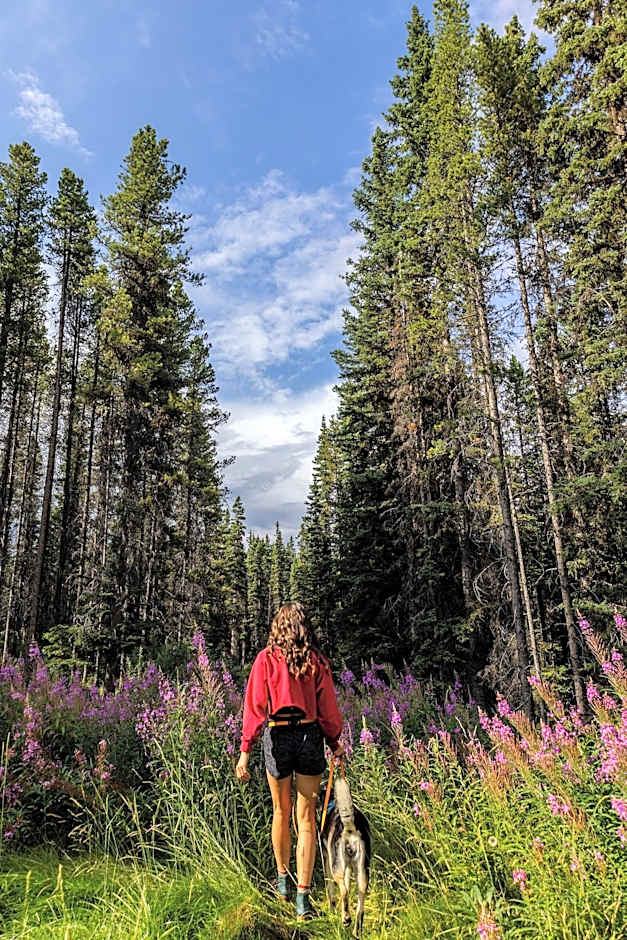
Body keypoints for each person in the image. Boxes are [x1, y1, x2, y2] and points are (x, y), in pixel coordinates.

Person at [235, 602, 344, 919]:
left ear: (277, 628)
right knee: (306, 819)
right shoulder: (316, 661)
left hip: (277, 736)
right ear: (304, 628)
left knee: (280, 811)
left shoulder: (266, 660)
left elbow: (254, 707)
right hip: (310, 736)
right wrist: (335, 742)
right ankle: (302, 900)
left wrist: (244, 752)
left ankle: (283, 880)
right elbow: (328, 711)